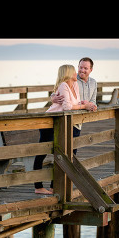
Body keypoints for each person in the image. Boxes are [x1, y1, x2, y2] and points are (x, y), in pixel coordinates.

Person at [33, 64, 94, 195]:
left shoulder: (75, 84)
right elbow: (67, 107)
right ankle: (38, 187)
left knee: (62, 153)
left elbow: (74, 103)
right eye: (74, 71)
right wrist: (84, 107)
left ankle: (54, 187)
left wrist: (84, 104)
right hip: (48, 123)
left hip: (59, 123)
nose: (76, 72)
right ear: (68, 73)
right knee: (41, 153)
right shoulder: (63, 85)